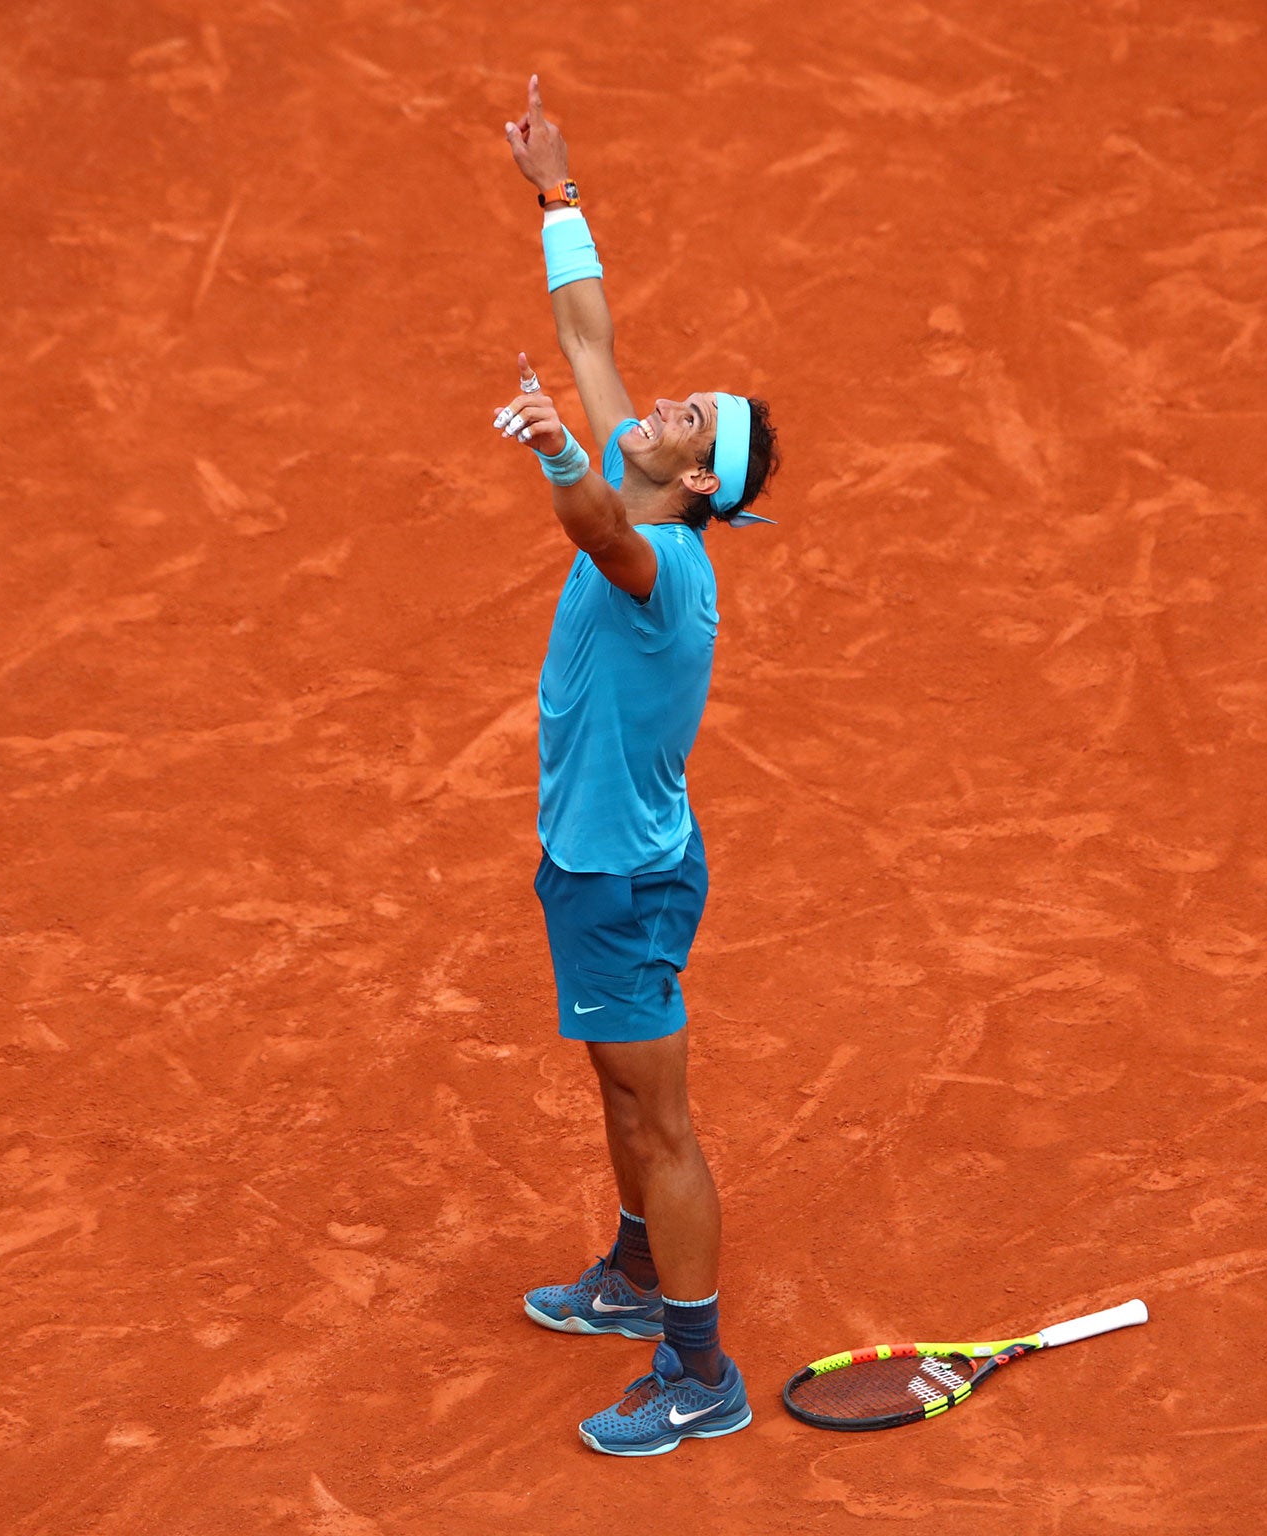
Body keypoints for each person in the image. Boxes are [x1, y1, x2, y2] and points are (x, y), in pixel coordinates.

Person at [492, 76, 781, 1457]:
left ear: (698, 483)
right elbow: (588, 330)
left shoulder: (660, 557)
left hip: (623, 881)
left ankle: (697, 1368)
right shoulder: (648, 474)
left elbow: (596, 527)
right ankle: (625, 1277)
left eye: (685, 418)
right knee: (617, 1089)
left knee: (661, 1121)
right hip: (597, 859)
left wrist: (553, 448)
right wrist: (558, 193)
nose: (661, 402)